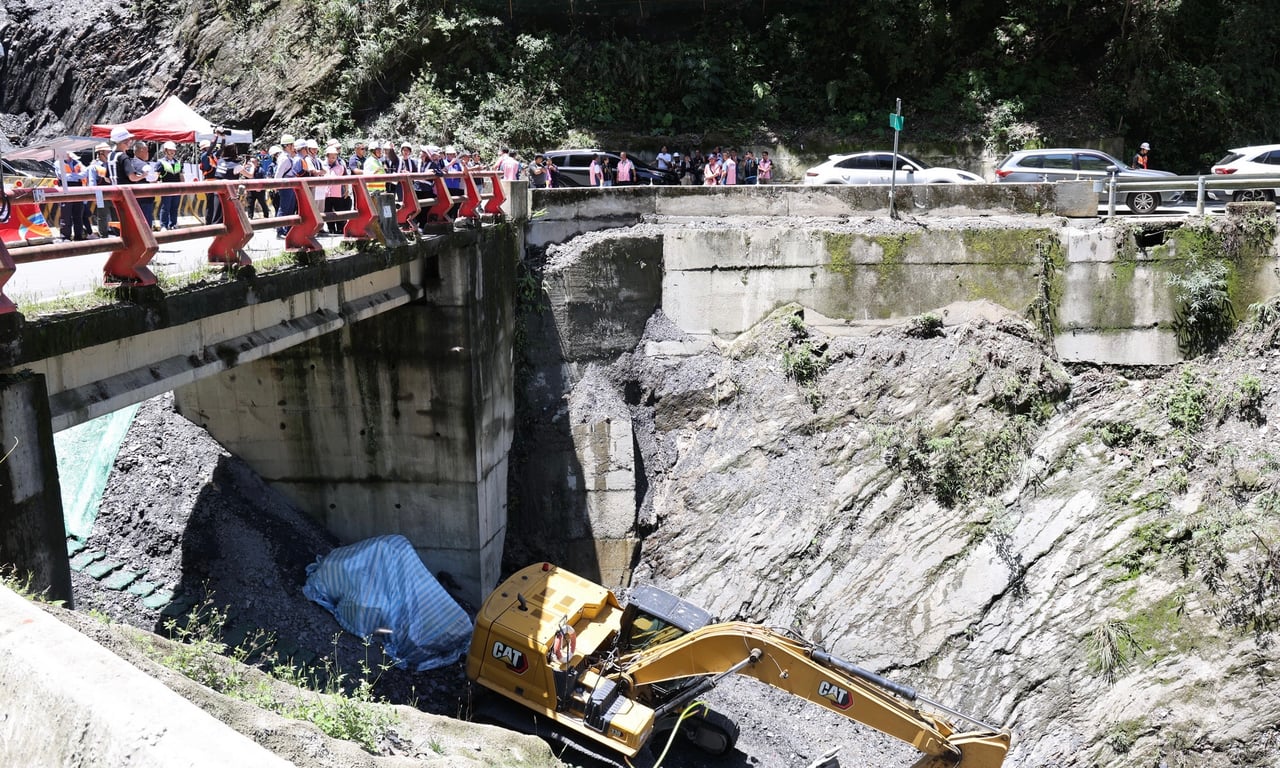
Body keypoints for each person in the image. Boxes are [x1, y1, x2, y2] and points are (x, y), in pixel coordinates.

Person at [58, 149, 88, 241]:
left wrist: (71, 176)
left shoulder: (77, 162)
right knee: (66, 214)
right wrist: (76, 175)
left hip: (77, 188)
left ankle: (78, 235)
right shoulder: (58, 163)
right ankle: (65, 236)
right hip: (65, 188)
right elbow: (60, 175)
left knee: (78, 213)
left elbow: (84, 173)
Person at [274, 134, 299, 238]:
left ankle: (287, 230)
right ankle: (279, 230)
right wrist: (276, 185)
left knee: (290, 208)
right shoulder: (284, 158)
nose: (294, 147)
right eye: (293, 144)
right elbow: (279, 173)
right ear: (288, 145)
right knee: (284, 208)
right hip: (285, 185)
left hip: (290, 184)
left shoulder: (288, 157)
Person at [156, 141, 184, 230]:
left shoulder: (177, 162)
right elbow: (157, 175)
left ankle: (173, 224)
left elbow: (181, 175)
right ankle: (163, 225)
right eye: (170, 150)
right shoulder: (160, 162)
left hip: (176, 188)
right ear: (165, 150)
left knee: (174, 207)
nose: (172, 152)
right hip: (166, 188)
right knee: (165, 207)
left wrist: (184, 187)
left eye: (174, 150)